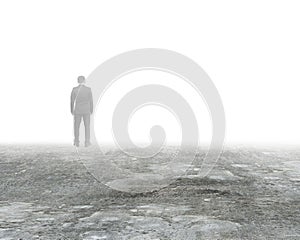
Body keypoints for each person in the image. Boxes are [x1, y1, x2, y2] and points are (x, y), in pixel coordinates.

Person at [70, 76, 93, 147]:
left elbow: (72, 101)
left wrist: (71, 110)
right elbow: (91, 101)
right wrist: (91, 110)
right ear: (84, 81)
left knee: (76, 126)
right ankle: (87, 142)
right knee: (87, 126)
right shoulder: (88, 89)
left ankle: (76, 142)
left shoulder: (74, 89)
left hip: (77, 110)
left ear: (78, 81)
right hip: (86, 110)